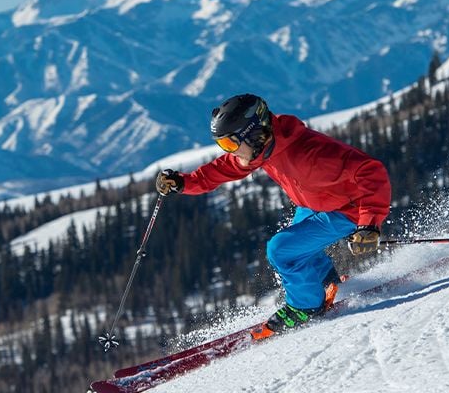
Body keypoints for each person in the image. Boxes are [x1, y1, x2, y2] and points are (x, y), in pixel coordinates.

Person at [155, 93, 391, 337]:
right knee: (296, 245)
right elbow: (224, 168)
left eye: (230, 144)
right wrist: (184, 182)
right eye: (223, 145)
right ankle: (323, 282)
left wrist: (369, 224)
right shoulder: (263, 148)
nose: (230, 152)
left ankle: (306, 306)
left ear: (254, 133)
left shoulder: (308, 152)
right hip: (316, 205)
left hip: (347, 210)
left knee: (281, 250)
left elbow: (371, 171)